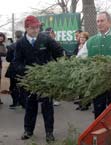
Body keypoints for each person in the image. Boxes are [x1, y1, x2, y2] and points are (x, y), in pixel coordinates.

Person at [14, 15, 63, 143]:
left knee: (47, 107)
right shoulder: (20, 43)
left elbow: (58, 52)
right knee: (30, 106)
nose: (36, 30)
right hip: (30, 81)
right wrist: (27, 71)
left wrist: (57, 67)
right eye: (32, 28)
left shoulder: (45, 39)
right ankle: (28, 131)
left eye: (37, 27)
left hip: (46, 80)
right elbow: (16, 62)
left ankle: (49, 133)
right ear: (26, 28)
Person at [77, 11, 111, 119]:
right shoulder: (91, 41)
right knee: (98, 111)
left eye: (102, 21)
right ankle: (100, 134)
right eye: (97, 21)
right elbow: (80, 58)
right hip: (97, 83)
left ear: (109, 23)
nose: (99, 23)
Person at [44, 27, 63, 107]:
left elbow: (60, 54)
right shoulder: (44, 43)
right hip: (47, 65)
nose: (49, 35)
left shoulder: (56, 43)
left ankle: (57, 99)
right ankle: (49, 98)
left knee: (56, 83)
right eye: (48, 33)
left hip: (56, 65)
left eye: (51, 33)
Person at [5, 30, 23, 109]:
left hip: (14, 68)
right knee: (23, 86)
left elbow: (8, 59)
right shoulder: (27, 45)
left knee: (13, 86)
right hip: (24, 68)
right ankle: (24, 103)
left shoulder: (12, 46)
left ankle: (15, 102)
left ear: (15, 36)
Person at [75, 31, 91, 111]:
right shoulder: (80, 46)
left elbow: (85, 57)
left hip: (85, 68)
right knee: (81, 87)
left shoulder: (87, 45)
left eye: (83, 38)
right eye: (80, 37)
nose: (81, 39)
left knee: (85, 87)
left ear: (86, 39)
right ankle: (81, 103)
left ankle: (85, 104)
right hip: (79, 68)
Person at [0, 32, 7, 105]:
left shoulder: (2, 45)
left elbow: (5, 54)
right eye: (0, 36)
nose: (1, 38)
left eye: (2, 36)